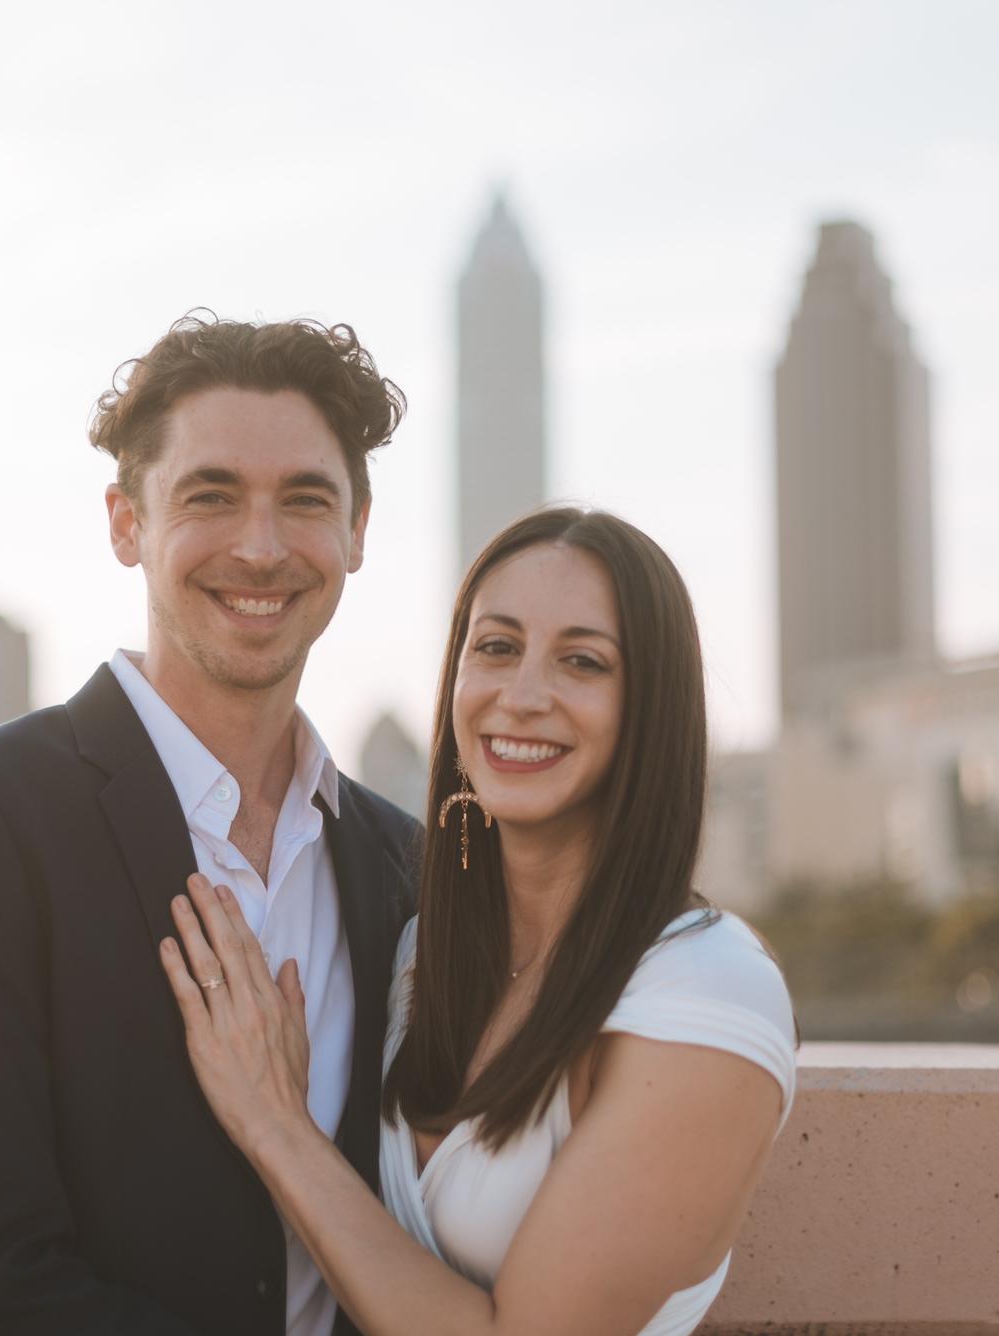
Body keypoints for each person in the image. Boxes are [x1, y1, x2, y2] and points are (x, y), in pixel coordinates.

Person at [0, 312, 420, 1336]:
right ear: (126, 523)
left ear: (355, 532)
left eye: (304, 499)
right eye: (210, 496)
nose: (260, 546)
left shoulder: (406, 864)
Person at [161, 507, 799, 1336]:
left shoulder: (709, 990)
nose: (523, 696)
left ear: (652, 707)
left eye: (583, 661)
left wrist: (277, 1127)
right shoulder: (420, 952)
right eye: (496, 648)